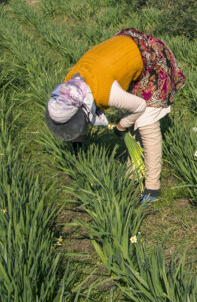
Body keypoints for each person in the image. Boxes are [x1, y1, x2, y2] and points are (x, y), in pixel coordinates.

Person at [45, 28, 185, 203]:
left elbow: (140, 106)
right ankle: (132, 173)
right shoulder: (70, 88)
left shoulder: (104, 92)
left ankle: (153, 188)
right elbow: (80, 118)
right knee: (133, 117)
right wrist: (77, 145)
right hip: (127, 50)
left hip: (153, 57)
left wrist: (121, 126)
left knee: (146, 122)